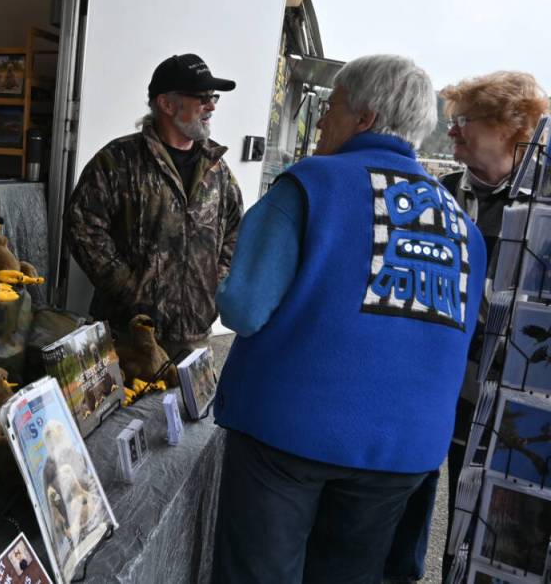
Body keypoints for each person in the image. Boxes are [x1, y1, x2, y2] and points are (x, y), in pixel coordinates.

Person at [210, 54, 487, 583]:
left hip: (287, 432)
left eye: (330, 108)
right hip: (401, 450)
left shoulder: (312, 184)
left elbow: (243, 309)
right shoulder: (460, 224)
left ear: (364, 119)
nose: (319, 121)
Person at [384, 71, 548, 582]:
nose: (450, 132)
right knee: (409, 507)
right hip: (433, 391)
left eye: (462, 123)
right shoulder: (439, 197)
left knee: (491, 530)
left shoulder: (543, 208)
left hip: (514, 407)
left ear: (510, 126)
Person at [64, 53, 243, 357]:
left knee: (189, 407)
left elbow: (236, 231)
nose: (211, 106)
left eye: (212, 97)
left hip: (194, 339)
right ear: (167, 103)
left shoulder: (217, 170)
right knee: (133, 407)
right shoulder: (118, 161)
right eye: (201, 97)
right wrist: (132, 292)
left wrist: (216, 283)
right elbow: (83, 228)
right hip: (129, 337)